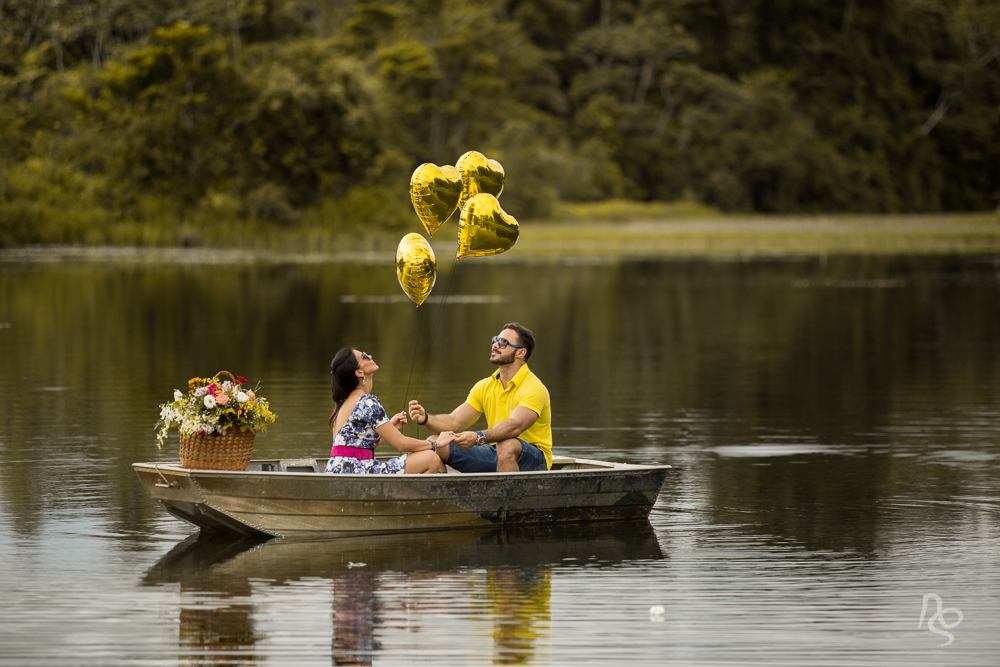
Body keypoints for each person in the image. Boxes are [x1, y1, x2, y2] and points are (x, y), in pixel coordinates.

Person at [408, 322, 552, 473]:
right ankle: (445, 495)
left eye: (503, 343)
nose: (495, 345)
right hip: (495, 452)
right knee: (436, 442)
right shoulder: (484, 386)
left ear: (521, 353)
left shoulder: (534, 387)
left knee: (507, 444)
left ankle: (506, 497)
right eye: (494, 340)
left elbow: (515, 425)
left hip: (535, 460)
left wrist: (478, 437)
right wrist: (425, 418)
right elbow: (454, 421)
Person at [325, 348, 449, 474]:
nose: (370, 355)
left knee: (432, 460)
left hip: (336, 470)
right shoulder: (367, 402)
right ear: (359, 372)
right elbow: (402, 444)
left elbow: (357, 446)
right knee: (431, 458)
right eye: (364, 356)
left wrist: (389, 429)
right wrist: (436, 443)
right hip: (357, 470)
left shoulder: (343, 404)